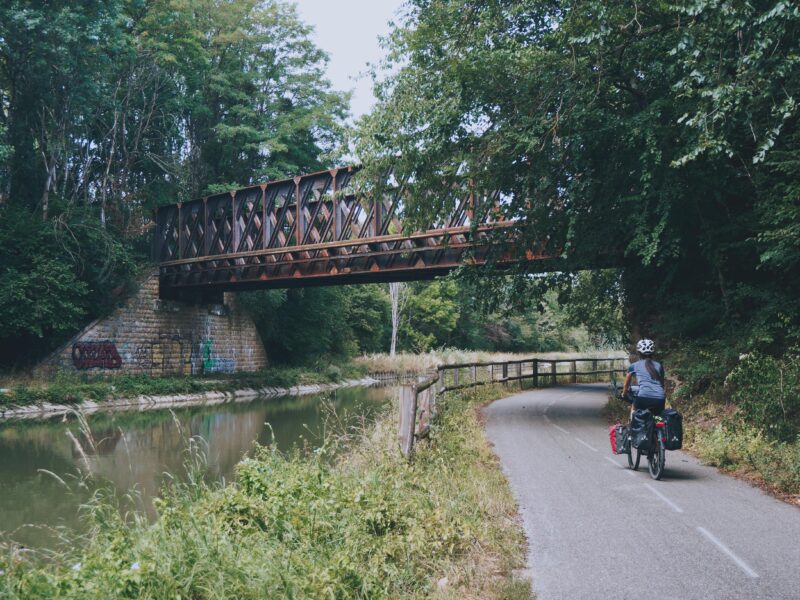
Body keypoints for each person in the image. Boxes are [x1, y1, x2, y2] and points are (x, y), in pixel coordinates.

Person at [622, 338, 666, 417]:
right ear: (653, 352)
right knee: (658, 417)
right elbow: (662, 385)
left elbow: (626, 385)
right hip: (660, 399)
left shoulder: (634, 366)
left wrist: (624, 394)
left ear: (638, 353)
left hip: (643, 397)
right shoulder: (659, 366)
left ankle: (633, 423)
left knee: (634, 408)